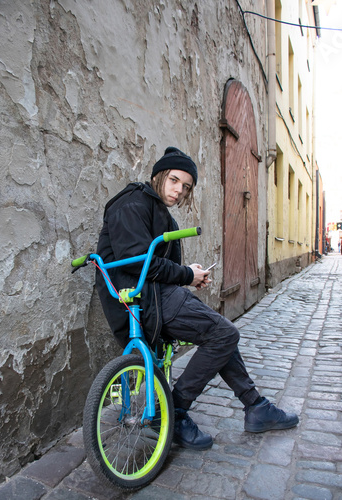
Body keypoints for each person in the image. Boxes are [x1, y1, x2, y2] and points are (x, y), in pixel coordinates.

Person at [96, 147, 299, 450]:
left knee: (218, 333)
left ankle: (255, 406)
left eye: (186, 186)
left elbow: (160, 269)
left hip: (156, 296)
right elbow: (136, 261)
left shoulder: (158, 212)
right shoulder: (132, 202)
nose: (179, 190)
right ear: (159, 176)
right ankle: (175, 411)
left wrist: (190, 277)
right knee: (224, 333)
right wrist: (185, 275)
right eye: (174, 180)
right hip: (141, 302)